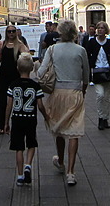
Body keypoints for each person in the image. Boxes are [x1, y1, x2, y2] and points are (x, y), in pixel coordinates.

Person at [39, 19, 90, 187]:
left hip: (57, 93)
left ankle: (61, 162)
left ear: (60, 32)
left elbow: (41, 72)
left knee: (60, 129)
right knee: (74, 132)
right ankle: (71, 172)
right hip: (75, 92)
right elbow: (86, 76)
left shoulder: (53, 49)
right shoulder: (80, 50)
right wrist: (82, 90)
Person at [4, 53, 49, 187]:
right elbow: (40, 105)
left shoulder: (13, 85)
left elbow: (9, 105)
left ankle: (19, 176)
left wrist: (6, 122)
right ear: (31, 69)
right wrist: (46, 116)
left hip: (17, 118)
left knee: (18, 147)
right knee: (31, 143)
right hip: (30, 118)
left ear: (18, 68)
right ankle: (28, 165)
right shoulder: (35, 86)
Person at [0, 25, 30, 134]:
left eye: (13, 31)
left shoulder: (19, 45)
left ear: (16, 32)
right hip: (3, 76)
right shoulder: (3, 44)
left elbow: (27, 57)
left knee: (17, 101)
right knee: (2, 101)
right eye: (9, 31)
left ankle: (16, 124)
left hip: (15, 76)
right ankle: (1, 126)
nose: (11, 33)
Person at [83, 21, 110, 130]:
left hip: (107, 72)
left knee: (106, 97)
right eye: (98, 28)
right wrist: (87, 69)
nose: (100, 29)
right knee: (100, 95)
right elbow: (87, 55)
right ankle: (100, 118)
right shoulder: (92, 42)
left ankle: (105, 118)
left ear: (106, 30)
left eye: (102, 28)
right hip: (96, 72)